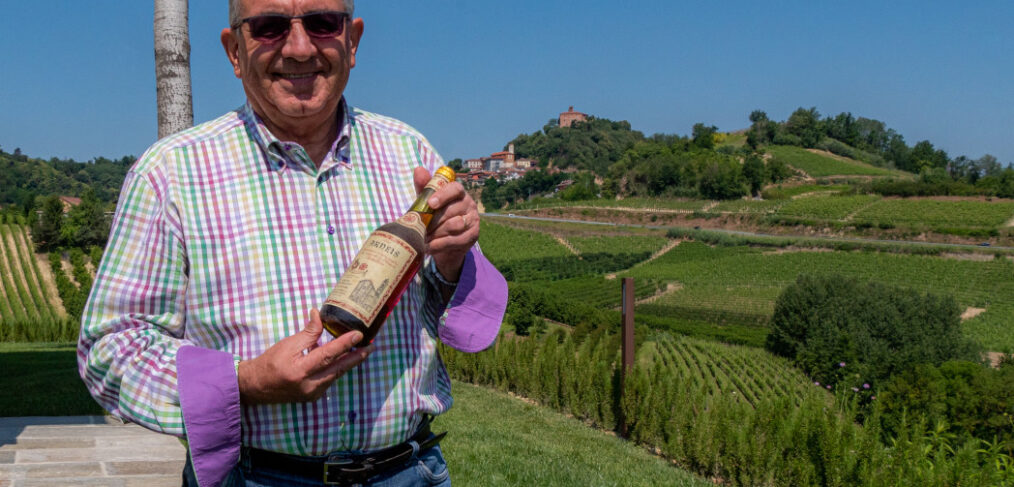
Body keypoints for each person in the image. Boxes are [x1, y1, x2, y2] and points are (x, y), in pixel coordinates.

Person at [77, 0, 507, 485]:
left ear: (352, 40)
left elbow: (458, 313)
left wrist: (453, 260)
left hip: (408, 471)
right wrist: (244, 382)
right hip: (255, 477)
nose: (300, 48)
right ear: (234, 50)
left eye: (323, 23)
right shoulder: (169, 174)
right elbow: (111, 348)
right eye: (270, 27)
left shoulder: (410, 152)